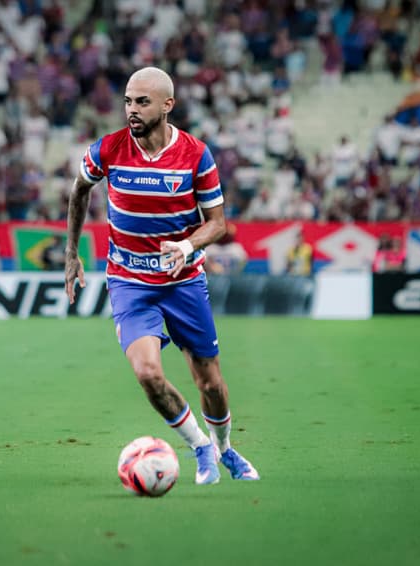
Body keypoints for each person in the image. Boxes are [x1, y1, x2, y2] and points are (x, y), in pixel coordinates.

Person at [64, 67, 259, 485]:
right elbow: (79, 190)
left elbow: (218, 223)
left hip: (184, 281)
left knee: (210, 382)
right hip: (130, 282)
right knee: (148, 374)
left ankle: (225, 449)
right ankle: (199, 448)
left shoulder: (195, 154)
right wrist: (72, 253)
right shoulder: (108, 149)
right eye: (128, 101)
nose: (132, 110)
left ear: (168, 105)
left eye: (142, 102)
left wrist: (187, 247)